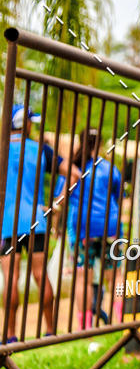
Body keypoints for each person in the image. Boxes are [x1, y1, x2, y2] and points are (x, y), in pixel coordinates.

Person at [0, 103, 80, 343]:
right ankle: (50, 330)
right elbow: (74, 174)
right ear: (23, 124)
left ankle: (10, 335)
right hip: (36, 219)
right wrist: (57, 203)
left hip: (7, 223)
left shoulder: (2, 149)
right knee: (39, 274)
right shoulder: (41, 150)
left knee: (10, 279)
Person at [67, 128, 124, 329]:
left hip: (83, 229)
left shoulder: (73, 169)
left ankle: (85, 327)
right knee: (116, 275)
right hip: (110, 227)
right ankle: (121, 321)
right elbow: (118, 197)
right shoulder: (110, 169)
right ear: (99, 144)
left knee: (83, 278)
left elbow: (62, 198)